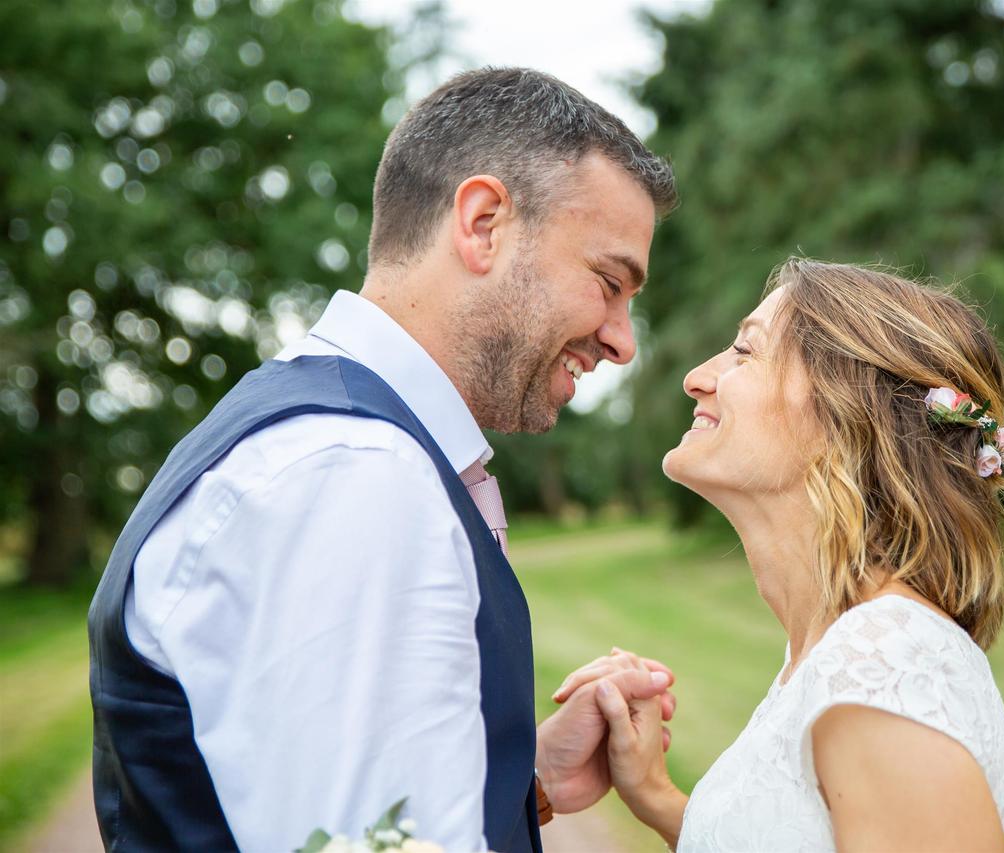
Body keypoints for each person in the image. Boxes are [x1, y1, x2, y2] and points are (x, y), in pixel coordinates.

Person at [87, 68, 678, 852]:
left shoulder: (337, 439)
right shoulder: (355, 472)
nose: (621, 338)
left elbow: (328, 810)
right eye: (608, 282)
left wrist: (523, 779)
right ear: (483, 223)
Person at [558, 258, 1004, 851]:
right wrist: (654, 794)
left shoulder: (881, 668)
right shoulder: (834, 652)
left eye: (745, 352)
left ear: (845, 413)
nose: (697, 378)